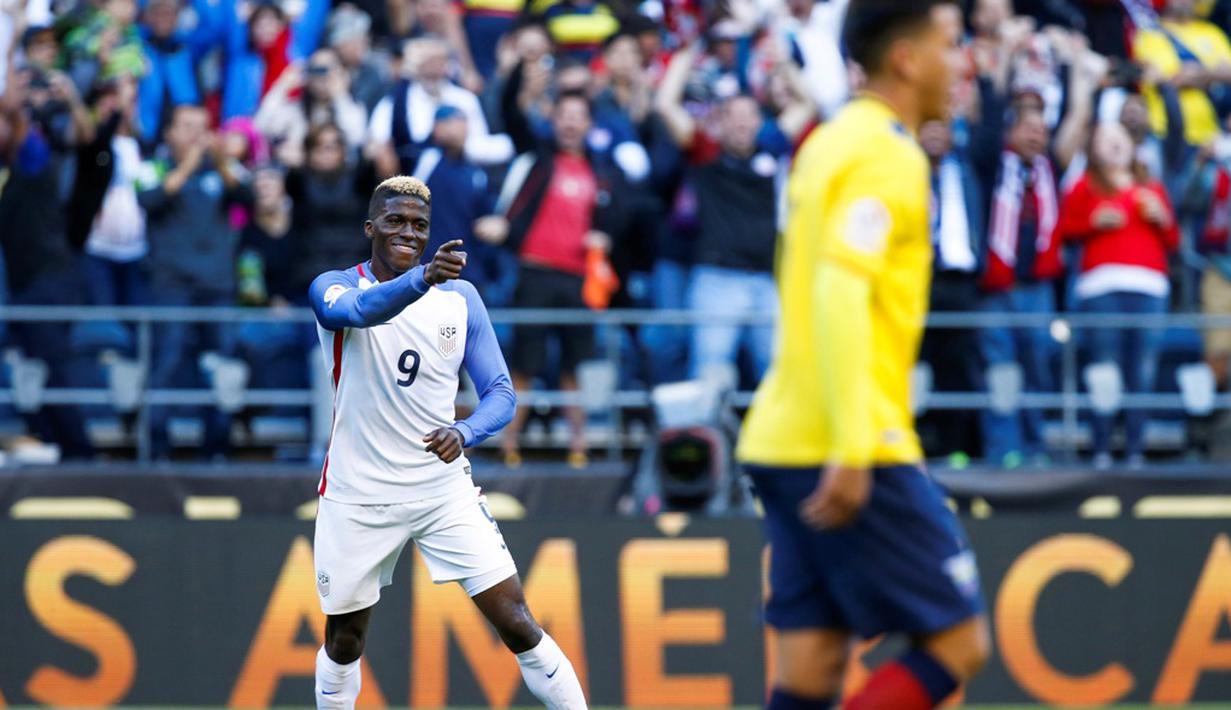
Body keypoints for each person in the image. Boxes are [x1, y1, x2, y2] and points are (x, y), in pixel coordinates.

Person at [736, 3, 990, 709]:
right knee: (959, 643)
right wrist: (853, 444)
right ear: (905, 57)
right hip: (850, 441)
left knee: (811, 669)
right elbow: (841, 290)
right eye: (948, 41)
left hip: (783, 436)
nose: (962, 57)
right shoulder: (887, 152)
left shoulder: (827, 140)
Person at [307, 175, 586, 710]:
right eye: (395, 222)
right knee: (344, 641)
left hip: (441, 490)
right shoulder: (336, 285)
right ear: (370, 228)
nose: (408, 233)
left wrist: (465, 431)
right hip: (358, 493)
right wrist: (421, 281)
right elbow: (353, 314)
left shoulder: (460, 299)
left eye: (419, 225)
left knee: (518, 623)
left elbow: (501, 394)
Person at [1058, 121, 1178, 468]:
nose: (1112, 146)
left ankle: (1136, 450)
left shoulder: (1152, 186)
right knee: (1104, 370)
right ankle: (1101, 449)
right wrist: (1094, 221)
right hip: (1101, 287)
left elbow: (1172, 241)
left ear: (1132, 144)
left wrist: (1162, 217)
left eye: (1118, 139)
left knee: (1142, 370)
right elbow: (1065, 230)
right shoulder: (1084, 186)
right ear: (1093, 149)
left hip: (1149, 286)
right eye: (1104, 140)